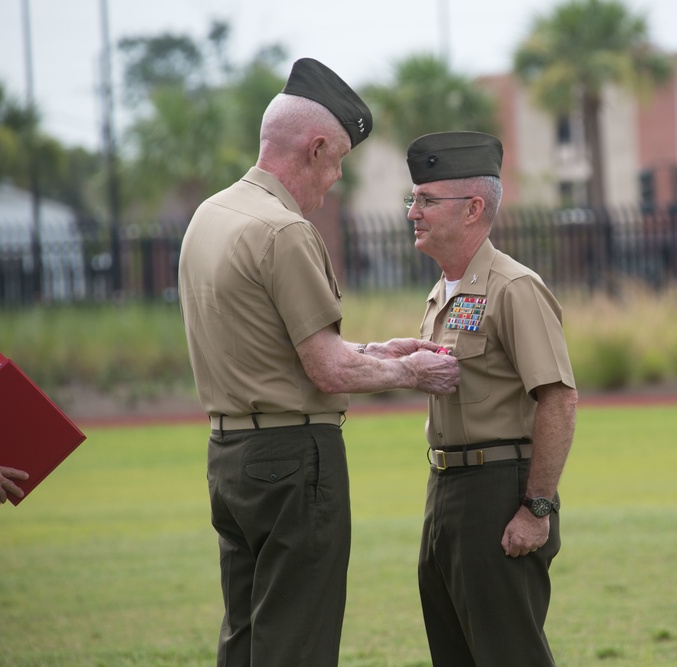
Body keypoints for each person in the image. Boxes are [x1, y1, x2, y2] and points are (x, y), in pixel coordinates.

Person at [177, 58, 459, 667]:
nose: (333, 180)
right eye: (337, 163)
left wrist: (379, 352)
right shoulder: (285, 231)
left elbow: (278, 349)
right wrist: (415, 372)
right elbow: (327, 372)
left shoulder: (210, 216)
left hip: (230, 461)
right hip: (292, 461)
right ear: (316, 147)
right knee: (297, 643)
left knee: (246, 637)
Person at [406, 131, 579, 667]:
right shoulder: (445, 291)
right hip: (446, 491)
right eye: (413, 199)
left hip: (498, 494)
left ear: (474, 208)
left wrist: (537, 508)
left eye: (428, 200)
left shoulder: (513, 287)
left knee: (509, 655)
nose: (414, 211)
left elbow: (559, 399)